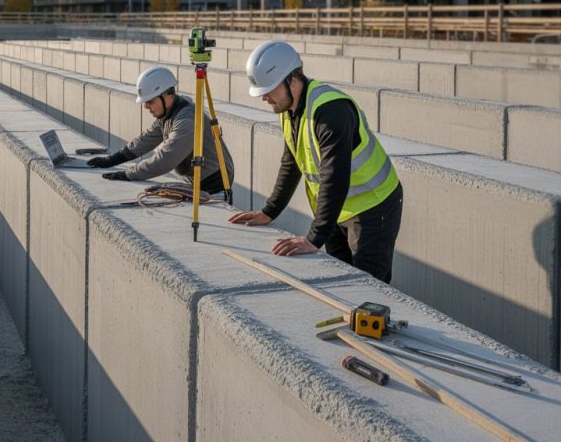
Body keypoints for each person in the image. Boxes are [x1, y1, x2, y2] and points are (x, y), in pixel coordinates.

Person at [228, 41, 403, 283]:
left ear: (292, 79)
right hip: (336, 209)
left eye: (269, 90)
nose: (264, 98)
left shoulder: (331, 111)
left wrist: (314, 237)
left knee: (368, 288)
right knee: (341, 280)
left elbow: (336, 176)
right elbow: (291, 164)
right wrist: (270, 211)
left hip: (373, 205)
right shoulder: (289, 111)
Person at [88, 66, 234, 195]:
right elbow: (144, 140)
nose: (146, 106)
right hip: (198, 178)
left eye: (150, 101)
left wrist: (129, 174)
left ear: (169, 95)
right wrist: (111, 160)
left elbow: (166, 160)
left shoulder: (187, 120)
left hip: (214, 182)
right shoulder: (169, 114)